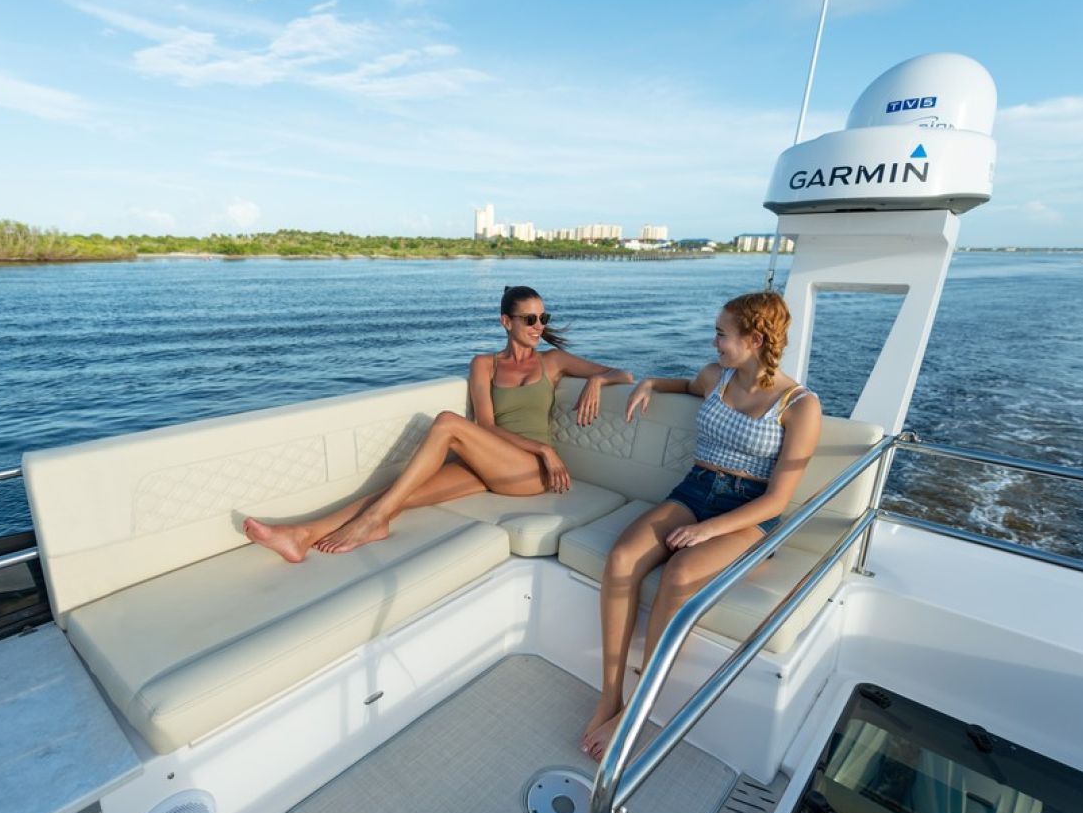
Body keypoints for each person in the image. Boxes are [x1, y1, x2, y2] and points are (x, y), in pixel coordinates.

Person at [580, 290, 822, 760]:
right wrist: (651, 383)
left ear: (754, 340)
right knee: (623, 557)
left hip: (750, 510)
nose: (714, 342)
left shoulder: (799, 405)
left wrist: (710, 530)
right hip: (696, 488)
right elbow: (686, 385)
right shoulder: (715, 376)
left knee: (680, 573)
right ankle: (610, 696)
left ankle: (637, 711)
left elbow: (778, 499)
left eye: (721, 334)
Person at [244, 285, 634, 562]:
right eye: (529, 318)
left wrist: (597, 382)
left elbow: (624, 373)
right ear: (506, 321)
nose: (538, 326)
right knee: (398, 492)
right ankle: (301, 535)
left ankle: (375, 521)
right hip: (496, 462)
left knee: (447, 422)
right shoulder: (484, 365)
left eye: (543, 318)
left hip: (531, 473)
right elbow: (486, 425)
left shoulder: (553, 361)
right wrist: (544, 447)